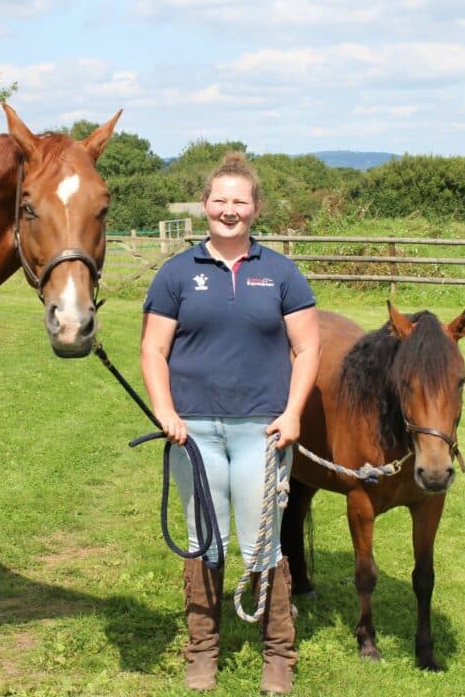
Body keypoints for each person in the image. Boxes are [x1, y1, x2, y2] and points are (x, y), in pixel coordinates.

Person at [140, 152, 320, 693]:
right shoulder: (176, 273)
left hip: (261, 431)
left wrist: (292, 414)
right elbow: (153, 348)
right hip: (192, 431)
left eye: (239, 201)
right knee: (204, 542)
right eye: (220, 200)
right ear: (204, 206)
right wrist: (165, 410)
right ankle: (202, 652)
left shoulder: (280, 272)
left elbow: (307, 348)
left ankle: (278, 655)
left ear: (255, 207)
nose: (229, 210)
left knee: (262, 545)